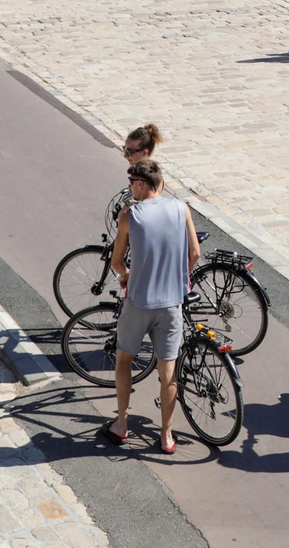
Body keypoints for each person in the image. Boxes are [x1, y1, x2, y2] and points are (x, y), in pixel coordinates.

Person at [105, 158, 200, 454]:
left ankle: (121, 424)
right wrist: (179, 279)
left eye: (132, 184)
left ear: (141, 184)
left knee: (124, 360)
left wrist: (127, 276)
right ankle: (167, 435)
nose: (130, 190)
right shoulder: (181, 208)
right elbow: (195, 254)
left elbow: (117, 262)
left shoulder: (130, 214)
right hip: (171, 303)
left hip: (139, 302)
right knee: (167, 370)